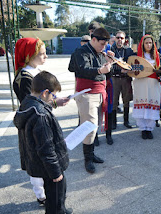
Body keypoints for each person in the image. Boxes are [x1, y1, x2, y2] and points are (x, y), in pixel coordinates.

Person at [13, 37, 69, 206]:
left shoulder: (33, 73)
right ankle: (41, 195)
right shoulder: (25, 77)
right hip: (33, 124)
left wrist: (54, 100)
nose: (46, 57)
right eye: (42, 54)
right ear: (30, 55)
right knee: (37, 158)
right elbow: (33, 105)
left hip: (35, 120)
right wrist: (54, 102)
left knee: (40, 157)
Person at [68, 28, 112, 173]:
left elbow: (106, 71)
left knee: (95, 125)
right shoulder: (81, 51)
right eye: (102, 44)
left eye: (105, 44)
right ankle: (87, 159)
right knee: (90, 127)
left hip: (99, 92)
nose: (104, 47)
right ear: (93, 40)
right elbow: (82, 69)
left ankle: (91, 155)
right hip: (87, 93)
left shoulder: (100, 52)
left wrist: (110, 61)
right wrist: (100, 70)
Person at [132, 34, 161, 139]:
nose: (148, 45)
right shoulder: (137, 57)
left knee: (151, 105)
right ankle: (142, 129)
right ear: (142, 44)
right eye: (146, 43)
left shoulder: (158, 56)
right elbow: (133, 70)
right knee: (142, 105)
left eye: (150, 43)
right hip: (140, 83)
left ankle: (149, 129)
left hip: (153, 84)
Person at [110, 30, 135, 129]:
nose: (119, 39)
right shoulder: (110, 50)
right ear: (115, 38)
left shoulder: (129, 51)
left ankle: (126, 121)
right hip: (114, 79)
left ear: (125, 40)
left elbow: (133, 64)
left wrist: (128, 70)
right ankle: (113, 122)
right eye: (118, 37)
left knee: (126, 100)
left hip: (126, 79)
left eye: (122, 38)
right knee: (114, 101)